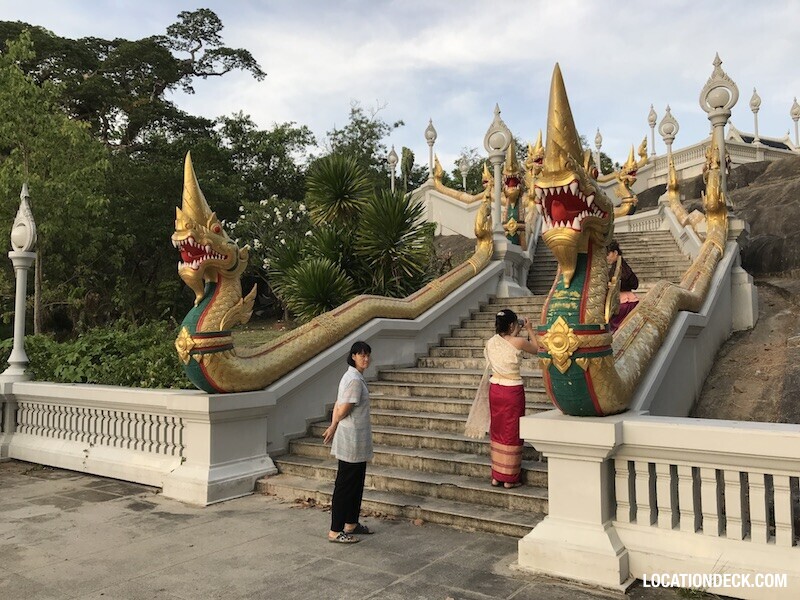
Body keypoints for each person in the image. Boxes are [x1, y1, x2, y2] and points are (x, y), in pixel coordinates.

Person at [465, 309, 538, 488]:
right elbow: (537, 349)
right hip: (512, 390)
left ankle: (497, 475)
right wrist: (529, 329)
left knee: (497, 429)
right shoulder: (519, 342)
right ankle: (510, 478)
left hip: (495, 389)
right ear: (513, 325)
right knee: (511, 431)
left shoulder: (490, 342)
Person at [323, 341, 374, 544]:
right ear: (353, 356)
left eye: (368, 355)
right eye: (361, 355)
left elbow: (338, 403)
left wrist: (333, 424)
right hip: (351, 438)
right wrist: (334, 425)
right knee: (345, 484)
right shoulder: (353, 379)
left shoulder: (352, 376)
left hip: (356, 438)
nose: (365, 358)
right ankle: (336, 530)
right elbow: (344, 407)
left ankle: (351, 522)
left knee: (355, 482)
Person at [607, 240, 639, 333]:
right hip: (624, 301)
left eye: (608, 254)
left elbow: (629, 281)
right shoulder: (618, 265)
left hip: (624, 303)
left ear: (615, 253)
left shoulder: (621, 267)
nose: (606, 257)